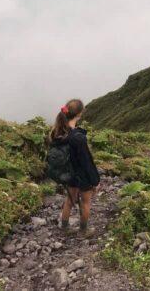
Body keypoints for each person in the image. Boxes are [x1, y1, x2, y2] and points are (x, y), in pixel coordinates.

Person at [49, 99, 100, 237]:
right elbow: (86, 162)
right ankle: (83, 231)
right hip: (82, 175)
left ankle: (64, 227)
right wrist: (95, 180)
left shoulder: (57, 133)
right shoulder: (78, 137)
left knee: (70, 200)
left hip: (68, 173)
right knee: (85, 202)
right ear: (79, 114)